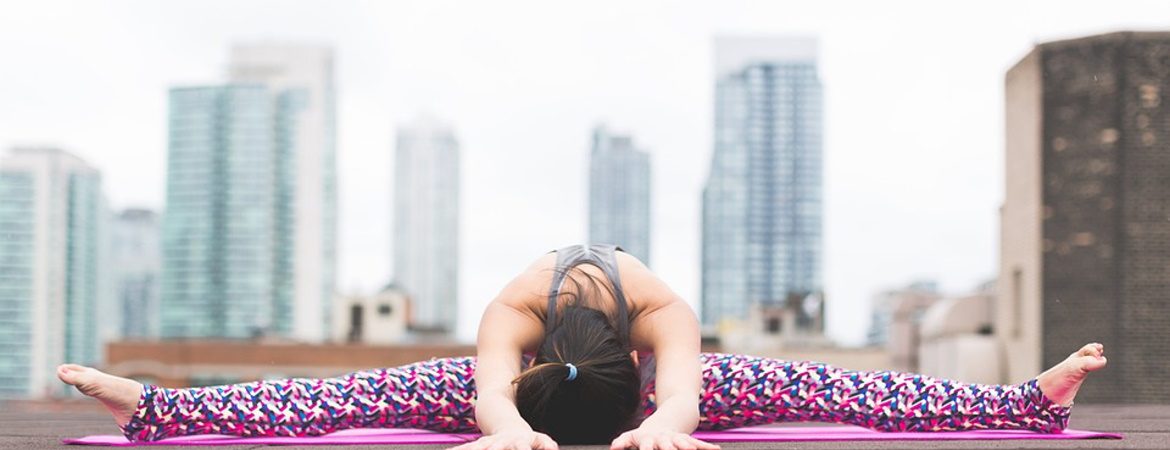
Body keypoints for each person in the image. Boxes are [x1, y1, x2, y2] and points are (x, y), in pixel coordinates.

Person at [59, 244, 1107, 450]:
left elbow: (692, 396)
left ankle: (1028, 400)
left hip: (649, 388)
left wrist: (667, 428)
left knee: (835, 389)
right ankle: (147, 407)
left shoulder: (665, 323)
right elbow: (475, 403)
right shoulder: (506, 327)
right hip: (533, 384)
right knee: (344, 396)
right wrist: (507, 427)